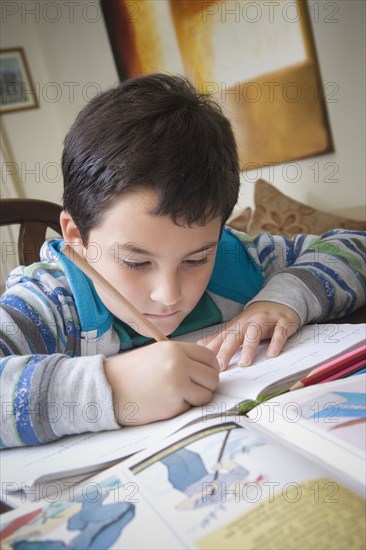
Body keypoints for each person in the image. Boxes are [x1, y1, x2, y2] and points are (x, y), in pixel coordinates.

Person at [1, 74, 365, 448]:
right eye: (135, 262)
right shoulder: (51, 303)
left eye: (195, 259)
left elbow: (355, 246)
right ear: (77, 238)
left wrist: (281, 299)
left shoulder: (237, 259)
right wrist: (113, 388)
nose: (169, 294)